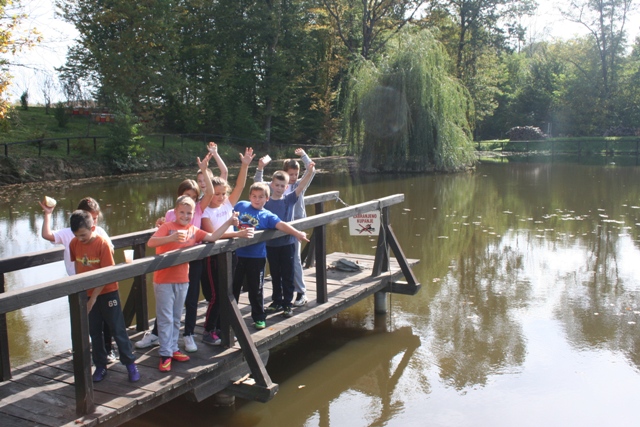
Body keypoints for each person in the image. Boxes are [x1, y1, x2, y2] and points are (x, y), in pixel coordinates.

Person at [147, 195, 238, 372]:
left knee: (176, 317)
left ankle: (173, 348)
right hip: (163, 280)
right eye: (182, 212)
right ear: (175, 212)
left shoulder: (193, 230)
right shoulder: (167, 227)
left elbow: (212, 236)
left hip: (183, 279)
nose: (185, 216)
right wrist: (171, 238)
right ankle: (165, 354)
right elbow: (151, 242)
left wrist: (229, 222)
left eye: (189, 213)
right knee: (165, 318)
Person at [136, 150, 216, 353]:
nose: (190, 200)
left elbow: (210, 193)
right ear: (179, 197)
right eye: (186, 196)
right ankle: (156, 334)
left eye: (193, 197)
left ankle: (188, 334)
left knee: (191, 298)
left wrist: (204, 170)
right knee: (166, 303)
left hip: (193, 257)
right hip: (172, 260)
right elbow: (165, 231)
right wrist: (160, 226)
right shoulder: (171, 213)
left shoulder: (198, 209)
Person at [40, 196, 118, 363]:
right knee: (81, 319)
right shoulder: (69, 233)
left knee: (104, 320)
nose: (93, 222)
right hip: (78, 284)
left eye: (95, 219)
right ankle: (81, 352)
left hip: (99, 285)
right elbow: (47, 235)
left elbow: (110, 251)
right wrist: (48, 214)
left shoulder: (98, 232)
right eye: (91, 217)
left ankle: (108, 350)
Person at [68, 210, 140, 383]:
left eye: (83, 235)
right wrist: (83, 293)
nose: (80, 239)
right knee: (94, 331)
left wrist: (93, 298)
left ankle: (130, 364)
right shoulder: (74, 243)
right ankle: (100, 365)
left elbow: (107, 275)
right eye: (76, 235)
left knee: (117, 328)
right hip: (87, 294)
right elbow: (77, 267)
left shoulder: (102, 244)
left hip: (107, 292)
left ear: (92, 228)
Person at [232, 182, 309, 330]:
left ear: (267, 199)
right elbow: (224, 213)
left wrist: (297, 233)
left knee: (256, 289)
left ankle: (259, 317)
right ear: (249, 196)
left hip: (256, 257)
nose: (257, 199)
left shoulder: (267, 215)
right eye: (254, 196)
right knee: (233, 288)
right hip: (237, 255)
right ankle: (229, 318)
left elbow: (282, 225)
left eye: (261, 197)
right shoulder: (240, 205)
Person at [199, 148, 255, 345]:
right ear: (209, 194)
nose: (221, 197)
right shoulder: (205, 212)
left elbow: (240, 185)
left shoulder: (227, 205)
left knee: (228, 292)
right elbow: (213, 235)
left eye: (223, 193)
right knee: (216, 294)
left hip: (230, 254)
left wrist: (245, 165)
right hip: (213, 257)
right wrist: (238, 234)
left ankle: (222, 326)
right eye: (217, 194)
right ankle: (208, 331)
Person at [254, 148, 315, 307]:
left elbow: (308, 176)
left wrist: (305, 158)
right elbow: (258, 185)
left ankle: (299, 292)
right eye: (291, 174)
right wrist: (260, 167)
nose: (294, 177)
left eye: (296, 174)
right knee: (276, 269)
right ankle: (278, 298)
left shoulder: (292, 193)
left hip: (294, 230)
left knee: (294, 262)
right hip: (274, 236)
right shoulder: (273, 190)